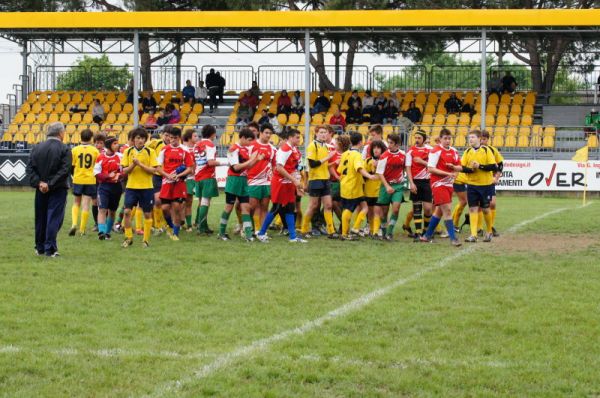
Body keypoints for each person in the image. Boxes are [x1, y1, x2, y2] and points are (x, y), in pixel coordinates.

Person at [26, 122, 71, 257]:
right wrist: (50, 184)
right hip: (57, 189)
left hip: (40, 190)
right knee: (54, 218)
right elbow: (65, 170)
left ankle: (39, 247)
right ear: (61, 133)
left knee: (41, 217)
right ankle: (50, 248)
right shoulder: (65, 149)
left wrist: (40, 183)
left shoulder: (36, 148)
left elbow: (29, 169)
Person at [256, 128, 306, 243]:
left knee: (289, 208)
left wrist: (297, 182)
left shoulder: (293, 149)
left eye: (300, 137)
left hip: (288, 182)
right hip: (280, 182)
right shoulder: (285, 149)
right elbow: (279, 167)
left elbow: (294, 167)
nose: (299, 139)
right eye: (297, 137)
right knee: (276, 207)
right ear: (290, 138)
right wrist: (294, 180)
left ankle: (293, 237)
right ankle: (261, 233)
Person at [419, 128, 462, 247]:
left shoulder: (454, 151)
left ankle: (426, 236)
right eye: (445, 138)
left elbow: (460, 167)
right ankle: (453, 239)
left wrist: (454, 168)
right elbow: (430, 168)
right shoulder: (435, 151)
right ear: (440, 139)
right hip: (438, 184)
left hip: (448, 184)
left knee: (439, 211)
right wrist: (448, 173)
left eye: (449, 138)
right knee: (447, 210)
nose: (448, 141)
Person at [218, 127, 261, 241]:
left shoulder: (246, 149)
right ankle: (221, 233)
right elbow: (236, 167)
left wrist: (255, 160)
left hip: (243, 181)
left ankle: (248, 235)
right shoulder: (233, 149)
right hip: (234, 180)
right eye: (248, 140)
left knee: (245, 207)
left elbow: (248, 166)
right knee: (229, 207)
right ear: (242, 138)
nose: (250, 143)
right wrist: (250, 160)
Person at [120, 127, 159, 248]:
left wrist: (140, 164)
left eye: (142, 138)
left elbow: (153, 170)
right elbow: (124, 171)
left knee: (147, 214)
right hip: (131, 187)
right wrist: (133, 164)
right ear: (133, 139)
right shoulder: (127, 152)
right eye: (138, 138)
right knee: (127, 212)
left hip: (147, 187)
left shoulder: (150, 152)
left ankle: (145, 240)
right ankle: (128, 238)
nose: (140, 140)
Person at [460, 129, 499, 243]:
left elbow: (494, 167)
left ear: (479, 138)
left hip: (485, 185)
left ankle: (489, 231)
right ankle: (473, 235)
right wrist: (470, 170)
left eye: (472, 137)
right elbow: (462, 167)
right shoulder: (467, 152)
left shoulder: (486, 150)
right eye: (469, 137)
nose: (470, 139)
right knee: (472, 209)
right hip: (472, 185)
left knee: (486, 209)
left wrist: (480, 166)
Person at [157, 127, 194, 241]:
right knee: (164, 208)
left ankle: (176, 233)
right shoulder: (164, 149)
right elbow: (157, 167)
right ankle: (171, 226)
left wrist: (179, 175)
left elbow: (190, 168)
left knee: (177, 208)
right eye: (171, 138)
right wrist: (167, 175)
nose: (172, 140)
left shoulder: (185, 150)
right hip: (167, 182)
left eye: (175, 138)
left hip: (179, 183)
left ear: (179, 138)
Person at [337, 132, 377, 241]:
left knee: (364, 207)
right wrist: (369, 175)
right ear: (361, 142)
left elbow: (339, 170)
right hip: (352, 186)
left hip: (347, 185)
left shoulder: (345, 154)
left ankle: (355, 228)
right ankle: (345, 234)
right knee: (348, 209)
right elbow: (359, 168)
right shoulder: (357, 155)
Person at [300, 125, 337, 239]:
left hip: (325, 179)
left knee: (328, 205)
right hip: (315, 179)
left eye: (325, 132)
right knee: (313, 206)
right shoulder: (312, 146)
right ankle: (304, 230)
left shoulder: (326, 146)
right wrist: (328, 157)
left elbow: (324, 164)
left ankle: (331, 231)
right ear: (316, 134)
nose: (323, 134)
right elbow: (312, 164)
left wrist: (333, 162)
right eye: (321, 132)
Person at [373, 133, 407, 241]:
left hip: (398, 186)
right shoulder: (384, 156)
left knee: (396, 209)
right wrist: (387, 186)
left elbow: (406, 169)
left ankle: (389, 232)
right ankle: (384, 232)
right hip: (385, 186)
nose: (389, 145)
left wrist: (407, 182)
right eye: (388, 142)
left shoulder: (403, 155)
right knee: (384, 213)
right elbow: (380, 173)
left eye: (391, 143)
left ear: (397, 144)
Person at [68, 128, 100, 237]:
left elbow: (71, 166)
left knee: (76, 202)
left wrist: (74, 175)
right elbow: (97, 166)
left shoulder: (74, 150)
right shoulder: (95, 151)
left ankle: (73, 224)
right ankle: (82, 230)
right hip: (90, 180)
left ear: (80, 137)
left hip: (78, 179)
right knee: (86, 204)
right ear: (91, 138)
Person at [247, 123, 277, 234]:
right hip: (253, 181)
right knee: (252, 207)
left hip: (267, 182)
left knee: (264, 207)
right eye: (266, 133)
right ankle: (248, 227)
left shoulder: (273, 149)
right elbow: (247, 163)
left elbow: (274, 166)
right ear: (260, 133)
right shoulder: (252, 146)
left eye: (270, 133)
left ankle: (261, 231)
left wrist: (274, 180)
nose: (268, 135)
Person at [193, 124, 222, 234]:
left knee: (201, 201)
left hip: (198, 176)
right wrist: (226, 163)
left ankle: (204, 226)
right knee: (205, 202)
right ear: (213, 134)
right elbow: (210, 162)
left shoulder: (197, 145)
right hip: (207, 176)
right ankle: (201, 227)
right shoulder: (210, 144)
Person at [93, 136, 123, 241]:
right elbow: (96, 173)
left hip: (117, 187)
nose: (117, 145)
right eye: (114, 143)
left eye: (117, 143)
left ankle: (108, 232)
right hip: (104, 187)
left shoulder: (121, 156)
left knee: (112, 211)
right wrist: (107, 176)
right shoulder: (100, 157)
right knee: (102, 209)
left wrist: (119, 175)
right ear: (109, 145)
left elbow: (125, 171)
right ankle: (101, 231)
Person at [406, 130, 433, 239]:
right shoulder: (410, 151)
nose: (416, 140)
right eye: (415, 138)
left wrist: (422, 162)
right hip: (415, 182)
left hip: (427, 182)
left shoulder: (430, 150)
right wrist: (411, 183)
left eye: (419, 138)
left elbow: (433, 165)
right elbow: (408, 168)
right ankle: (418, 232)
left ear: (424, 139)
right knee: (417, 208)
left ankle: (426, 232)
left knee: (427, 209)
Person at [480, 130, 504, 237]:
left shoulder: (492, 150)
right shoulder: (473, 150)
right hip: (477, 181)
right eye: (480, 139)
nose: (482, 141)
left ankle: (490, 227)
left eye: (484, 139)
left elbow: (500, 165)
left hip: (489, 181)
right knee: (478, 205)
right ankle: (479, 228)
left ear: (488, 139)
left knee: (492, 204)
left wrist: (496, 177)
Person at [182, 129, 199, 231]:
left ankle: (196, 222)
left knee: (200, 201)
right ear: (189, 138)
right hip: (187, 179)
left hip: (197, 178)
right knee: (186, 202)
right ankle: (186, 224)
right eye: (195, 136)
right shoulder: (184, 150)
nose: (197, 138)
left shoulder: (199, 149)